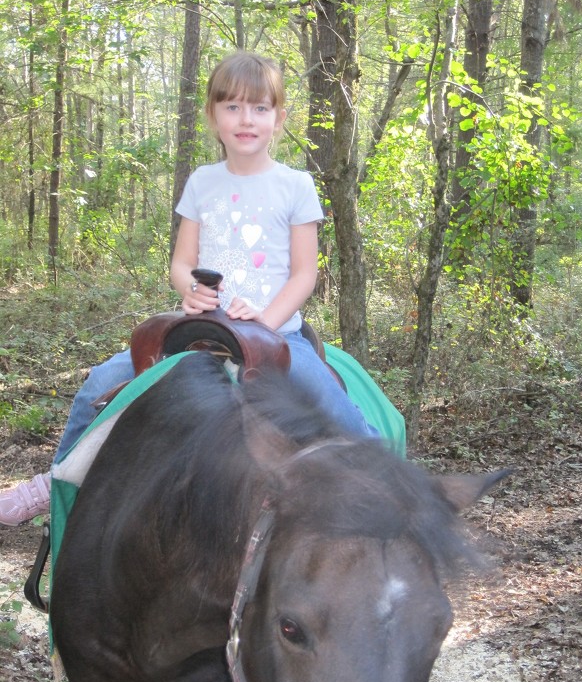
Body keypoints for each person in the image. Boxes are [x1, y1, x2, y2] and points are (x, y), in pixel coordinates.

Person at [0, 51, 376, 527]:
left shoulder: (295, 185)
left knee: (331, 405)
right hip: (201, 332)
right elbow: (182, 263)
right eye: (233, 107)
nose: (246, 119)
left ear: (278, 119)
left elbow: (305, 274)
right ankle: (55, 479)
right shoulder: (203, 182)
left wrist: (265, 319)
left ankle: (386, 479)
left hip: (276, 337)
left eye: (260, 108)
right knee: (99, 383)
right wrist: (190, 292)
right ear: (213, 116)